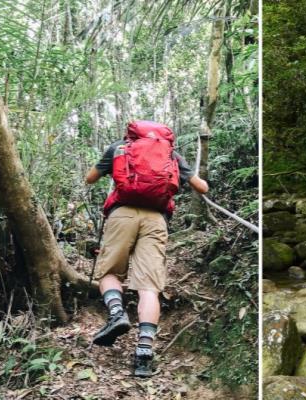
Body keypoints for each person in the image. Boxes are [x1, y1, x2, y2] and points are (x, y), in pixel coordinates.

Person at [85, 125, 208, 377]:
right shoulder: (171, 155)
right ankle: (143, 354)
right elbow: (202, 188)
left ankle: (117, 313)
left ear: (132, 134)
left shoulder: (119, 149)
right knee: (149, 287)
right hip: (156, 220)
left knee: (109, 273)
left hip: (122, 215)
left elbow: (90, 178)